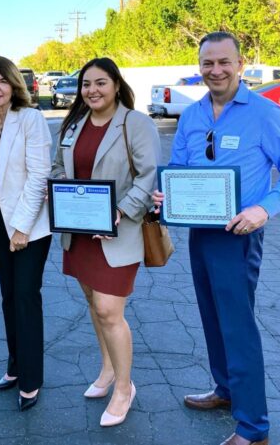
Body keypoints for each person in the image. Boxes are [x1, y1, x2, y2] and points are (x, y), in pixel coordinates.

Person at [152, 31, 280, 445]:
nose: (216, 70)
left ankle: (254, 427)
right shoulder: (193, 114)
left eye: (224, 62)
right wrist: (165, 194)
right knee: (212, 318)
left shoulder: (263, 113)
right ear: (199, 65)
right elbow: (180, 166)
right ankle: (225, 390)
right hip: (200, 233)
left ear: (240, 64)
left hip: (239, 237)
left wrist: (263, 209)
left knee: (238, 327)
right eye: (208, 63)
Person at [51, 57, 160, 427]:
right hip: (80, 232)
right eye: (86, 84)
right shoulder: (73, 125)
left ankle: (124, 389)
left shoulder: (136, 124)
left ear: (115, 84)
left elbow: (147, 177)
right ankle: (108, 369)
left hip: (119, 232)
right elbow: (58, 169)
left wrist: (121, 211)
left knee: (110, 311)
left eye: (100, 83)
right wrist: (58, 196)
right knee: (94, 306)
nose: (92, 90)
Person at [0, 56, 52, 411]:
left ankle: (32, 378)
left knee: (24, 297)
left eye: (2, 81)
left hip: (29, 228)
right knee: (8, 298)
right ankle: (16, 366)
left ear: (13, 85)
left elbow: (39, 176)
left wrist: (21, 227)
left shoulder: (31, 120)